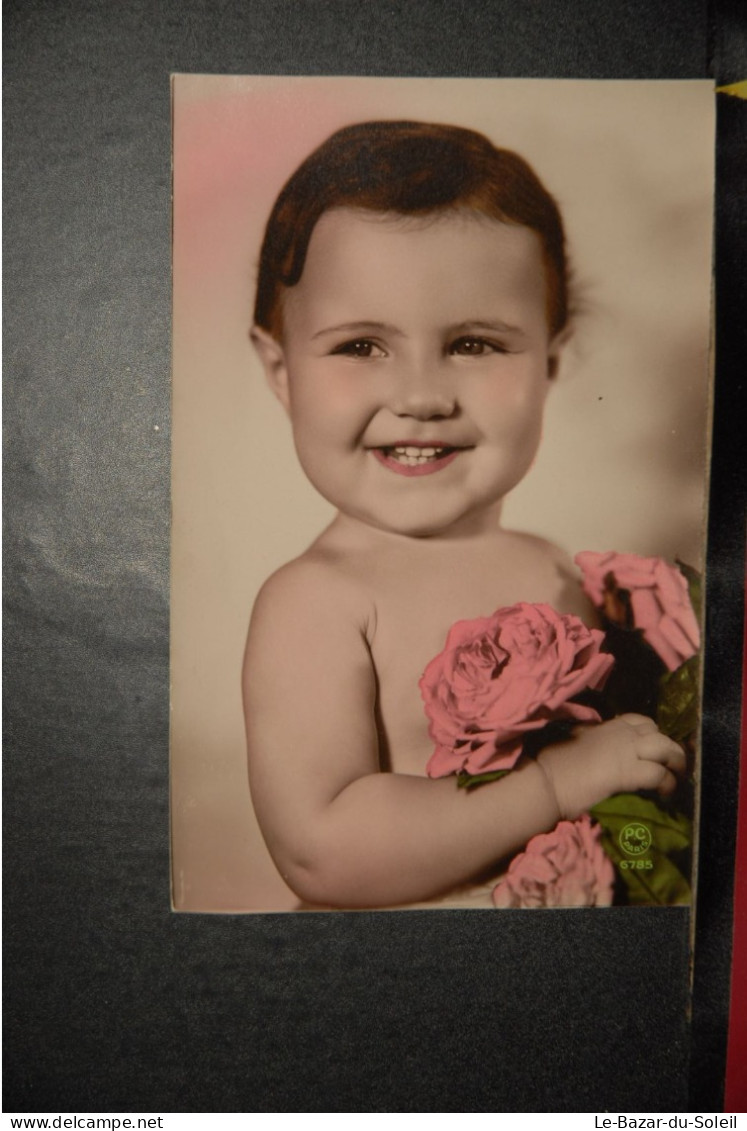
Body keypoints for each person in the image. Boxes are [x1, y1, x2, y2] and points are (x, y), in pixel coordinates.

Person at [243, 120, 684, 910]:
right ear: (281, 371)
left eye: (474, 344)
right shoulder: (315, 601)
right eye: (360, 347)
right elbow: (321, 849)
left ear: (549, 361)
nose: (420, 396)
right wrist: (550, 785)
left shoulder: (553, 565)